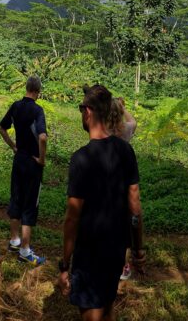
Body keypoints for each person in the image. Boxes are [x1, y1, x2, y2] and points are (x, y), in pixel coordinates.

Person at [58, 85, 145, 321]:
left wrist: (64, 264)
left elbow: (72, 217)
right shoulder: (125, 151)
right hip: (116, 249)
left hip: (90, 252)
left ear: (87, 111)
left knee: (93, 313)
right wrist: (138, 249)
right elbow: (135, 205)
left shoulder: (81, 158)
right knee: (107, 308)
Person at [0, 76, 48, 266]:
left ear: (27, 88)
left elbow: (2, 128)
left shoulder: (16, 106)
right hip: (32, 163)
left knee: (16, 197)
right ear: (38, 91)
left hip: (19, 160)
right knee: (29, 204)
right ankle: (25, 251)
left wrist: (13, 146)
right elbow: (42, 138)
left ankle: (14, 241)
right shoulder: (37, 110)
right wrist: (42, 159)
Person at [116, 96, 137, 281]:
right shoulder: (125, 130)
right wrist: (123, 108)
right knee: (125, 230)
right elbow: (133, 121)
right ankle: (123, 267)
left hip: (105, 186)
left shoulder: (104, 131)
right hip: (124, 185)